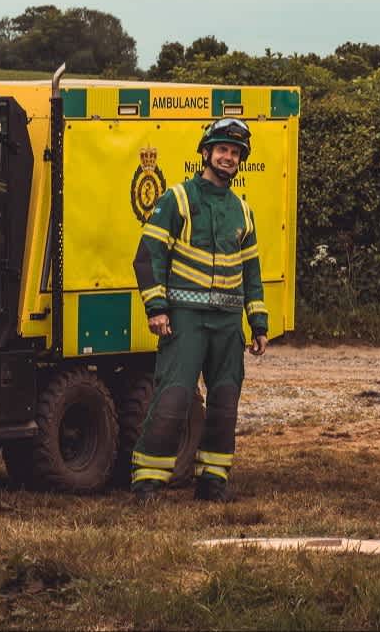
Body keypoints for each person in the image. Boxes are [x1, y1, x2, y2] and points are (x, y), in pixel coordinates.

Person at [130, 117, 268, 502]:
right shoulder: (177, 198)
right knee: (173, 399)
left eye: (235, 153)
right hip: (185, 320)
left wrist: (258, 322)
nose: (228, 157)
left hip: (227, 323)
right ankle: (148, 483)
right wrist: (156, 308)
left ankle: (213, 482)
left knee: (225, 403)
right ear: (206, 153)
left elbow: (251, 270)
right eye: (222, 150)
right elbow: (148, 257)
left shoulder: (243, 210)